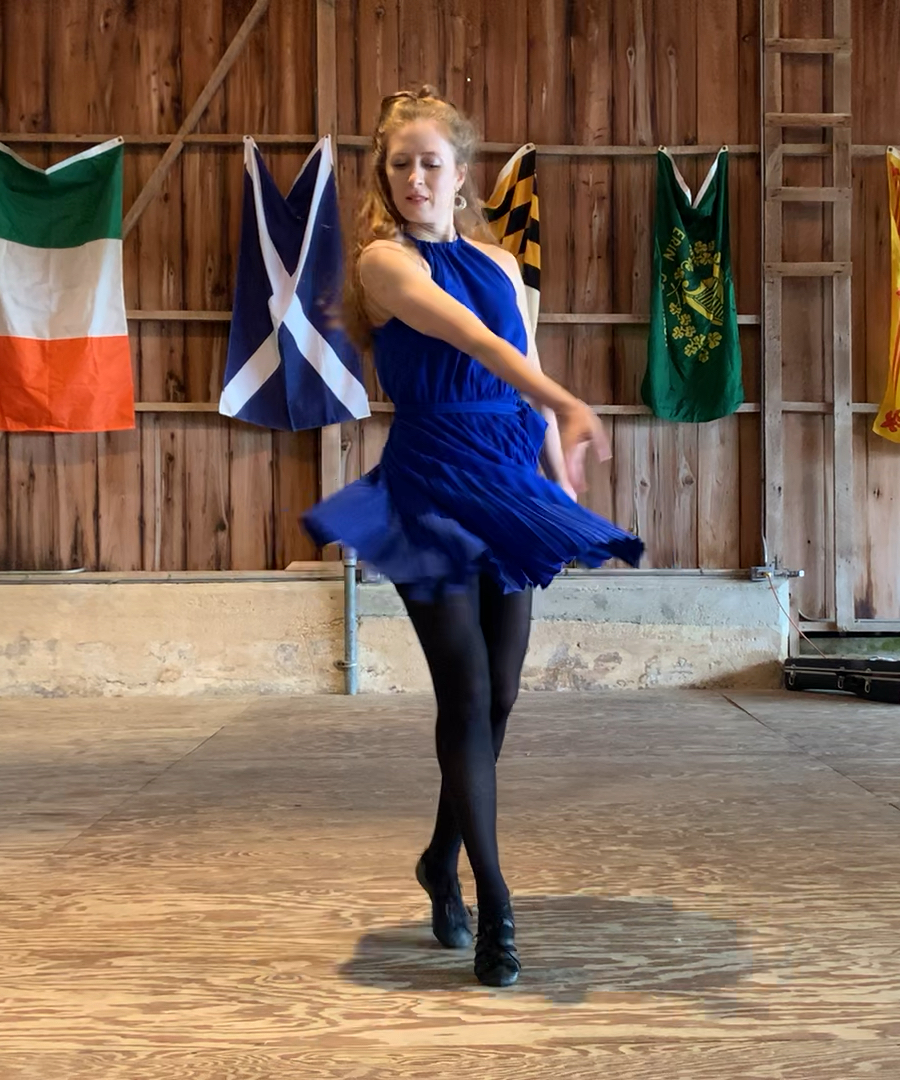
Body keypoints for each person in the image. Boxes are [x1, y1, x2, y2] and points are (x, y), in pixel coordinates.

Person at [302, 87, 644, 988]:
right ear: (386, 173)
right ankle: (493, 902)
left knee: (501, 697)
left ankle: (437, 856)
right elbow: (470, 338)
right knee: (463, 694)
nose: (415, 177)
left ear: (461, 175)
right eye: (400, 164)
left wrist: (552, 462)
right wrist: (568, 398)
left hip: (509, 480)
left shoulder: (502, 262)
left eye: (431, 162)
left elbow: (523, 372)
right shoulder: (382, 263)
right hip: (431, 479)